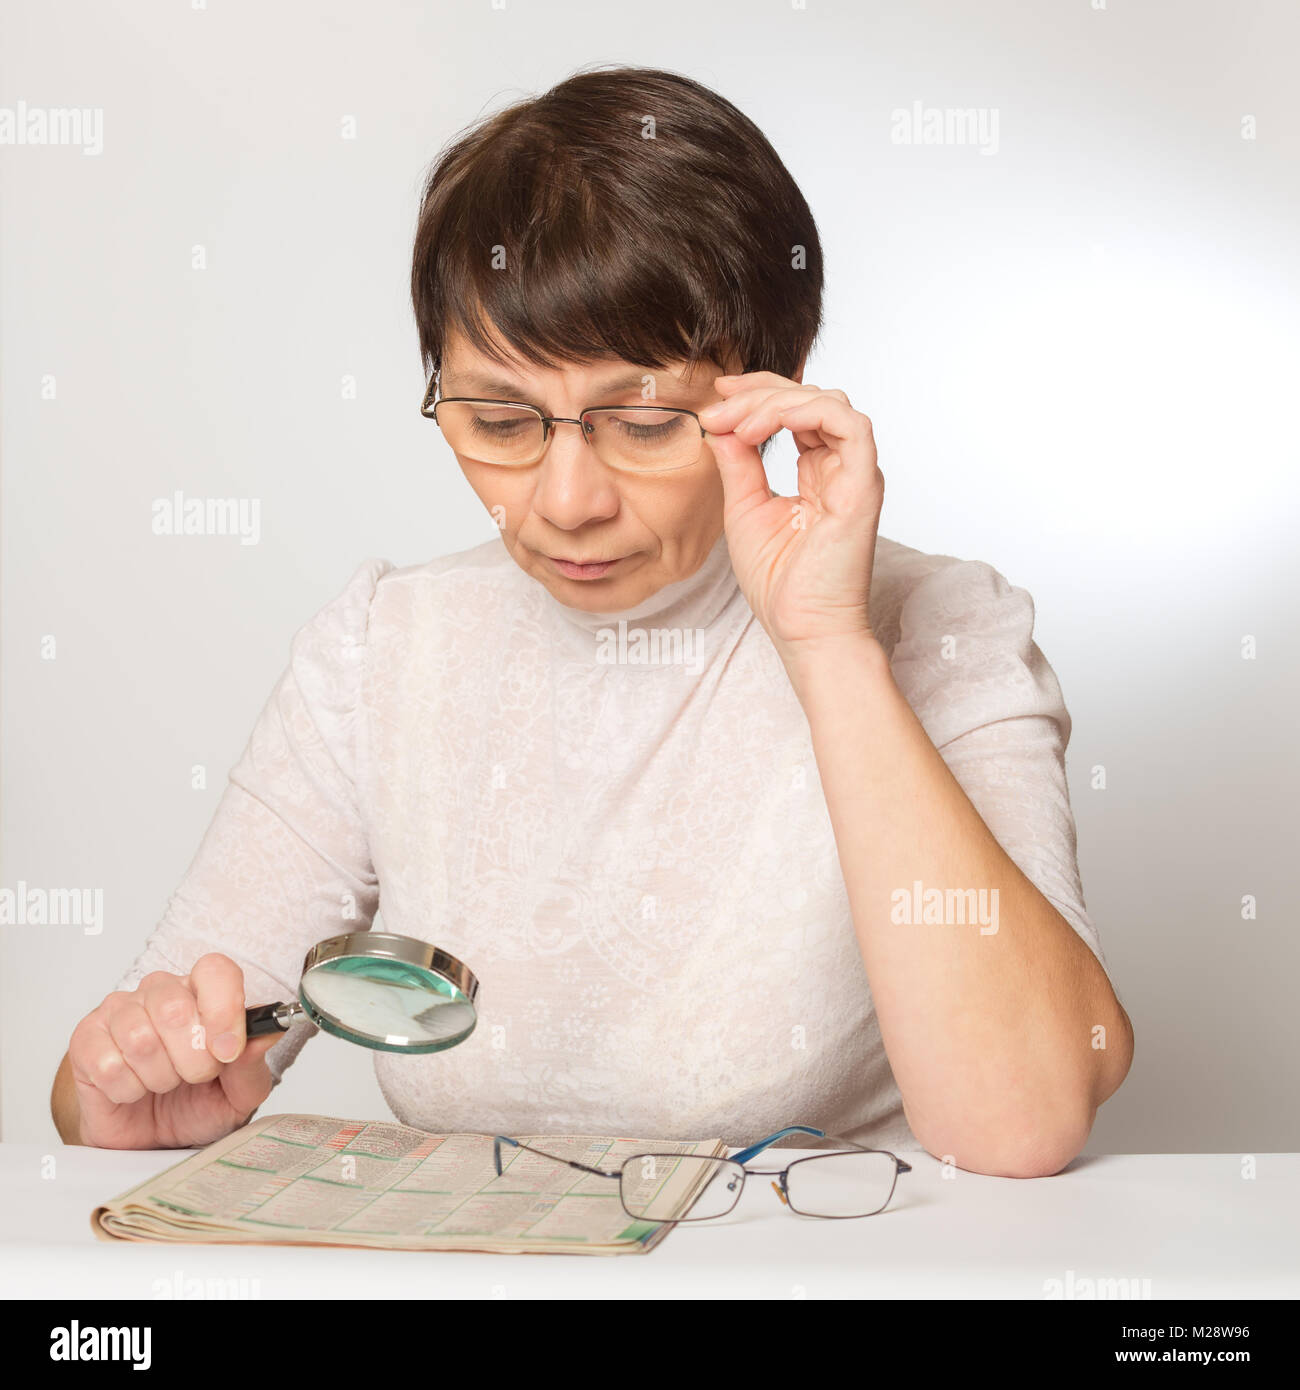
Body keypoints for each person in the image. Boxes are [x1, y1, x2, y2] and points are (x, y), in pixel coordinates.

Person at [51, 65, 1132, 1176]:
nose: (567, 499)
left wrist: (827, 645)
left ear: (776, 384)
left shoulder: (942, 627)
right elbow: (121, 1068)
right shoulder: (385, 647)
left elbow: (1024, 1118)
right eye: (498, 420)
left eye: (643, 422)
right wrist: (126, 1100)